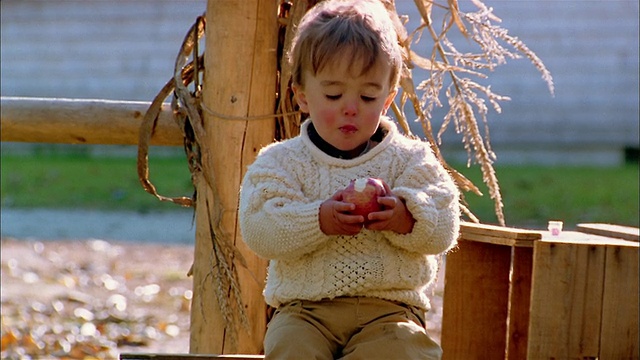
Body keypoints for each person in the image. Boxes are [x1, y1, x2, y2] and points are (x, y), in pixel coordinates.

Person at [238, 0, 460, 358]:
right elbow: (260, 229)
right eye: (333, 94)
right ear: (302, 96)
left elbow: (445, 223)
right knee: (291, 349)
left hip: (389, 313)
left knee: (401, 353)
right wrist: (319, 219)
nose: (351, 107)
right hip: (304, 312)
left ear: (387, 100)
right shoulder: (281, 162)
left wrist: (407, 217)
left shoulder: (410, 159)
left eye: (368, 95)